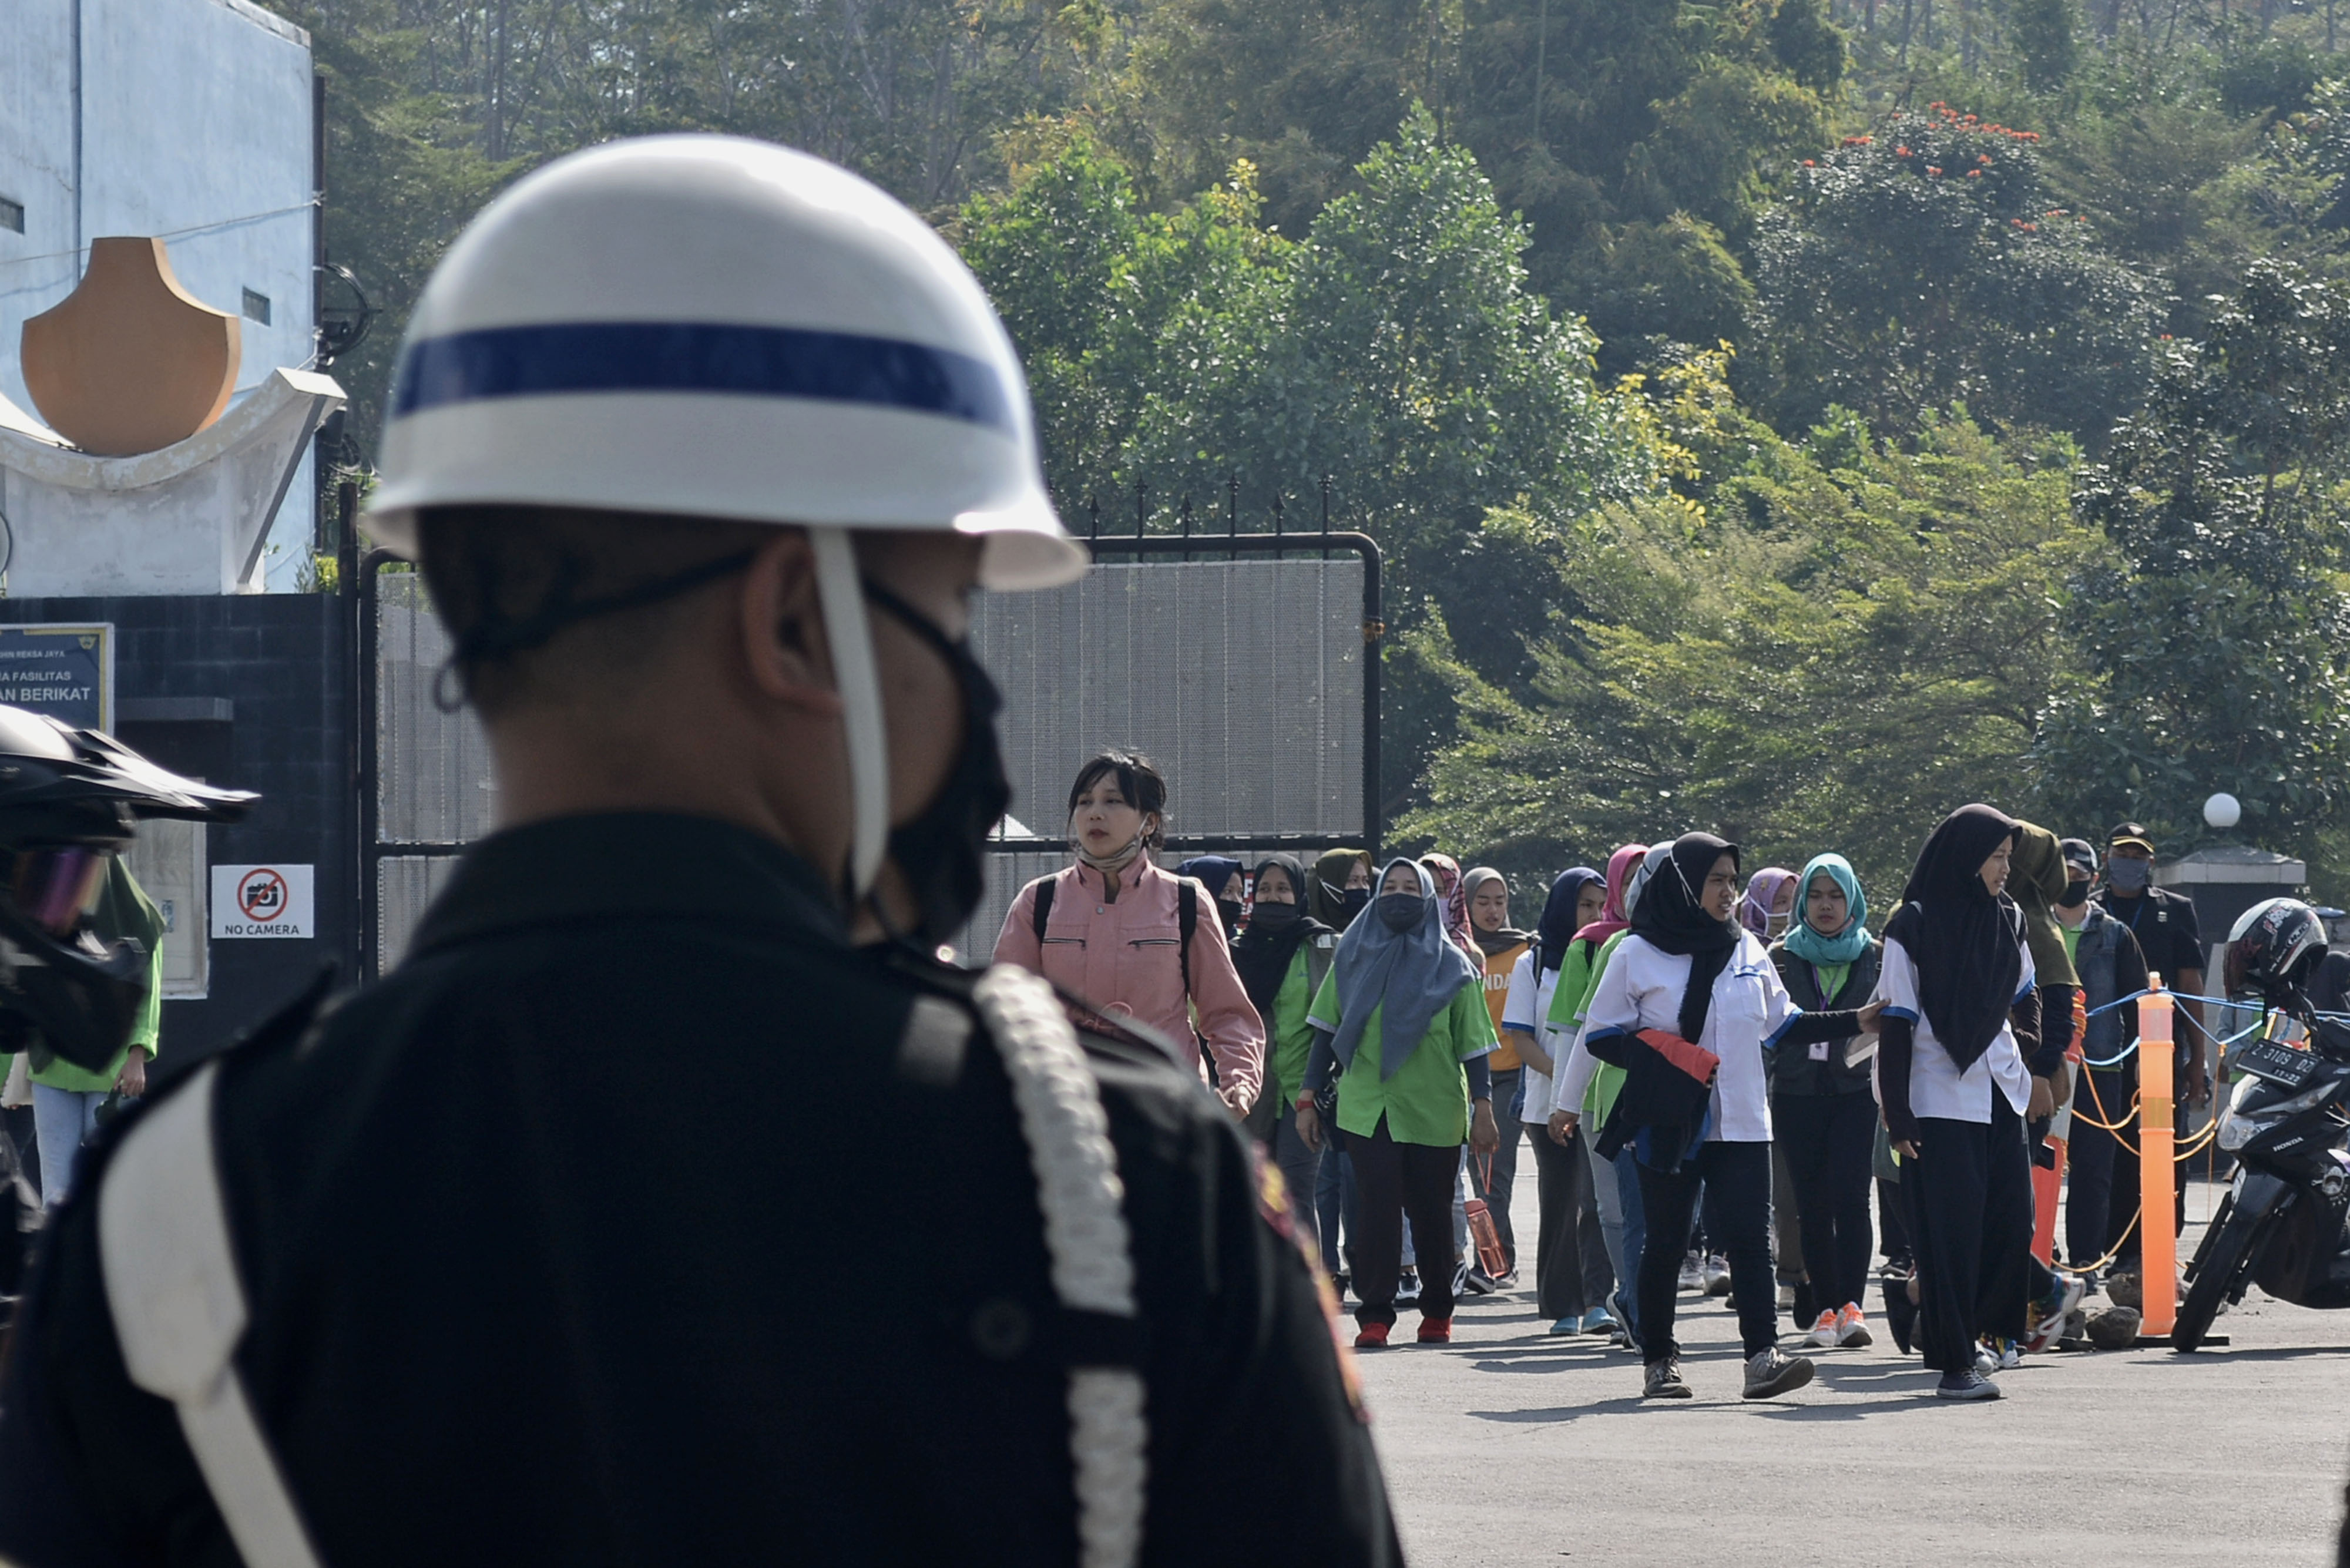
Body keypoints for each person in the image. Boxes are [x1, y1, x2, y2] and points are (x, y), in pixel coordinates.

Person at [0, 138, 1399, 1567]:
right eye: (953, 613)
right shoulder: (1119, 1190)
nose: (974, 705)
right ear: (798, 621)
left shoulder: (174, 1229)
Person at [1566, 834, 1878, 1401]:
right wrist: (1667, 1056)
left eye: (1734, 880)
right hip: (1669, 1121)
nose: (1729, 892)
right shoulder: (1637, 952)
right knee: (1664, 1242)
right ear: (1686, 884)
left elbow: (1783, 1026)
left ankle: (1763, 1357)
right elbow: (1602, 1035)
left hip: (1741, 1122)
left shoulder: (1749, 950)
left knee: (1751, 1244)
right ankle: (1660, 1360)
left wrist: (1858, 1018)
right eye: (1717, 880)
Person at [1295, 859, 1501, 1349]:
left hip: (1435, 1108)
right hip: (1368, 1106)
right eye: (1391, 887)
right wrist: (1307, 1096)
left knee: (1431, 1213)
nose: (1400, 895)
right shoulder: (1351, 954)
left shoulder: (1454, 967)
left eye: (1412, 888)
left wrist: (1485, 1106)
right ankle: (1375, 1314)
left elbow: (1473, 1045)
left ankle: (1436, 1309)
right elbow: (1326, 1032)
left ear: (1429, 898)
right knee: (1375, 1211)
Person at [1874, 804, 2040, 1401]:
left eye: (2007, 857)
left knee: (2009, 1222)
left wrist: (2025, 1044)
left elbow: (2026, 992)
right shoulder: (1911, 924)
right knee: (1949, 1236)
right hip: (1937, 1094)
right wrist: (1897, 1113)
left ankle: (1990, 1335)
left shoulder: (2008, 916)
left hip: (1999, 1088)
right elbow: (1895, 1019)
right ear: (1964, 857)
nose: (2003, 869)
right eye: (1994, 857)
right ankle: (1953, 1360)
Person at [995, 753, 1266, 1117]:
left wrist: (1240, 1083)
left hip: (1168, 1107)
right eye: (1084, 802)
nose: (1094, 813)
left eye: (1113, 801)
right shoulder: (1039, 901)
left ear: (1149, 822)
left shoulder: (1185, 900)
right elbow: (1004, 1010)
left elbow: (1227, 1011)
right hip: (1066, 1110)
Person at [1768, 854, 1882, 1352]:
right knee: (1810, 1204)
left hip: (1857, 1090)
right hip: (1796, 1091)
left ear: (1852, 899)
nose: (1825, 905)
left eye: (1836, 895)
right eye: (1815, 895)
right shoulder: (1779, 955)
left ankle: (1853, 1307)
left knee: (1853, 1199)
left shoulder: (1874, 954)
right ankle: (1826, 1308)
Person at [1544, 842, 1656, 1349]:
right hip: (1601, 1101)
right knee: (1612, 1209)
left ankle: (1646, 1299)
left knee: (1659, 1212)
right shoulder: (1592, 946)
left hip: (1664, 1100)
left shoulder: (1681, 942)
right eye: (1629, 880)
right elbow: (1576, 1031)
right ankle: (1632, 1297)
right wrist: (1564, 1103)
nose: (1638, 890)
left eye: (1647, 878)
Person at [2094, 821, 2208, 1295]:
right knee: (2110, 1151)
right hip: (2106, 1056)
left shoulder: (2175, 910)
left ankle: (2159, 1247)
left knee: (2165, 1150)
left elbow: (2191, 988)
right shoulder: (2091, 911)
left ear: (2151, 862)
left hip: (2161, 1059)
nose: (2130, 862)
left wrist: (2197, 1059)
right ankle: (2114, 1251)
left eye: (2139, 855)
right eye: (2123, 852)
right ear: (2107, 857)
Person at [1503, 867, 1616, 1335]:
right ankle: (1562, 1304)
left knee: (1596, 1202)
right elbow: (1520, 1037)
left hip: (1598, 1104)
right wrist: (1565, 1074)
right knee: (1560, 1198)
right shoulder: (1533, 962)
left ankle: (1599, 1300)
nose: (1591, 914)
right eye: (1584, 904)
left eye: (1598, 905)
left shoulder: (1609, 955)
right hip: (1545, 1102)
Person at [28, 859, 164, 1210]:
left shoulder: (140, 923)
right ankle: (55, 1261)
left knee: (108, 1179)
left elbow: (148, 996)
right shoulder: (49, 917)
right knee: (56, 1183)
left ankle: (102, 1262)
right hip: (52, 1065)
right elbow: (22, 994)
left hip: (113, 1071)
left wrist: (138, 1056)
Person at [2053, 837, 2148, 1281]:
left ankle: (2086, 1262)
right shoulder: (2031, 926)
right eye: (2063, 870)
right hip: (2043, 1068)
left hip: (2101, 1068)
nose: (2072, 877)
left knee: (2093, 1172)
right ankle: (2037, 1256)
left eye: (2080, 871)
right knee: (2036, 1168)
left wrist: (2142, 1064)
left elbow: (2136, 1002)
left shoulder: (2116, 934)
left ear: (2094, 877)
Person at [1234, 854, 1338, 1238]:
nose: (1273, 897)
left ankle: (1309, 1288)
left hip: (1304, 1092)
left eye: (1282, 889)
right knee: (1253, 1194)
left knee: (1296, 1192)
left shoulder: (1320, 946)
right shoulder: (1235, 950)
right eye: (1263, 889)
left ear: (1299, 894)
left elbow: (1334, 1018)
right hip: (1250, 1092)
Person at [1462, 867, 1532, 1283]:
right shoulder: (1463, 953)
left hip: (1517, 1077)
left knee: (1495, 1173)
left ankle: (1493, 1264)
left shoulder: (1525, 949)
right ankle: (1496, 1260)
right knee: (1482, 1175)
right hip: (1475, 1078)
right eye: (1482, 901)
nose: (1492, 910)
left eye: (1499, 901)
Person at [1307, 848, 1374, 1282]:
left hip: (1359, 1080)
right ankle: (1325, 1269)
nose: (1360, 890)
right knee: (1321, 1184)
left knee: (1355, 1183)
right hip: (1313, 1076)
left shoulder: (1376, 938)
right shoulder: (1306, 941)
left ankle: (1364, 1265)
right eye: (1349, 881)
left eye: (1364, 881)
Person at [1179, 855, 1248, 942]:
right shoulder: (1174, 940)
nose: (1237, 900)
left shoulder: (1243, 944)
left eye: (1240, 893)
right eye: (1227, 891)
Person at [1739, 867, 1798, 943]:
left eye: (1795, 900)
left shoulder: (1804, 947)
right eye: (1782, 902)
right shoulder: (1741, 948)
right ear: (1757, 910)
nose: (1791, 909)